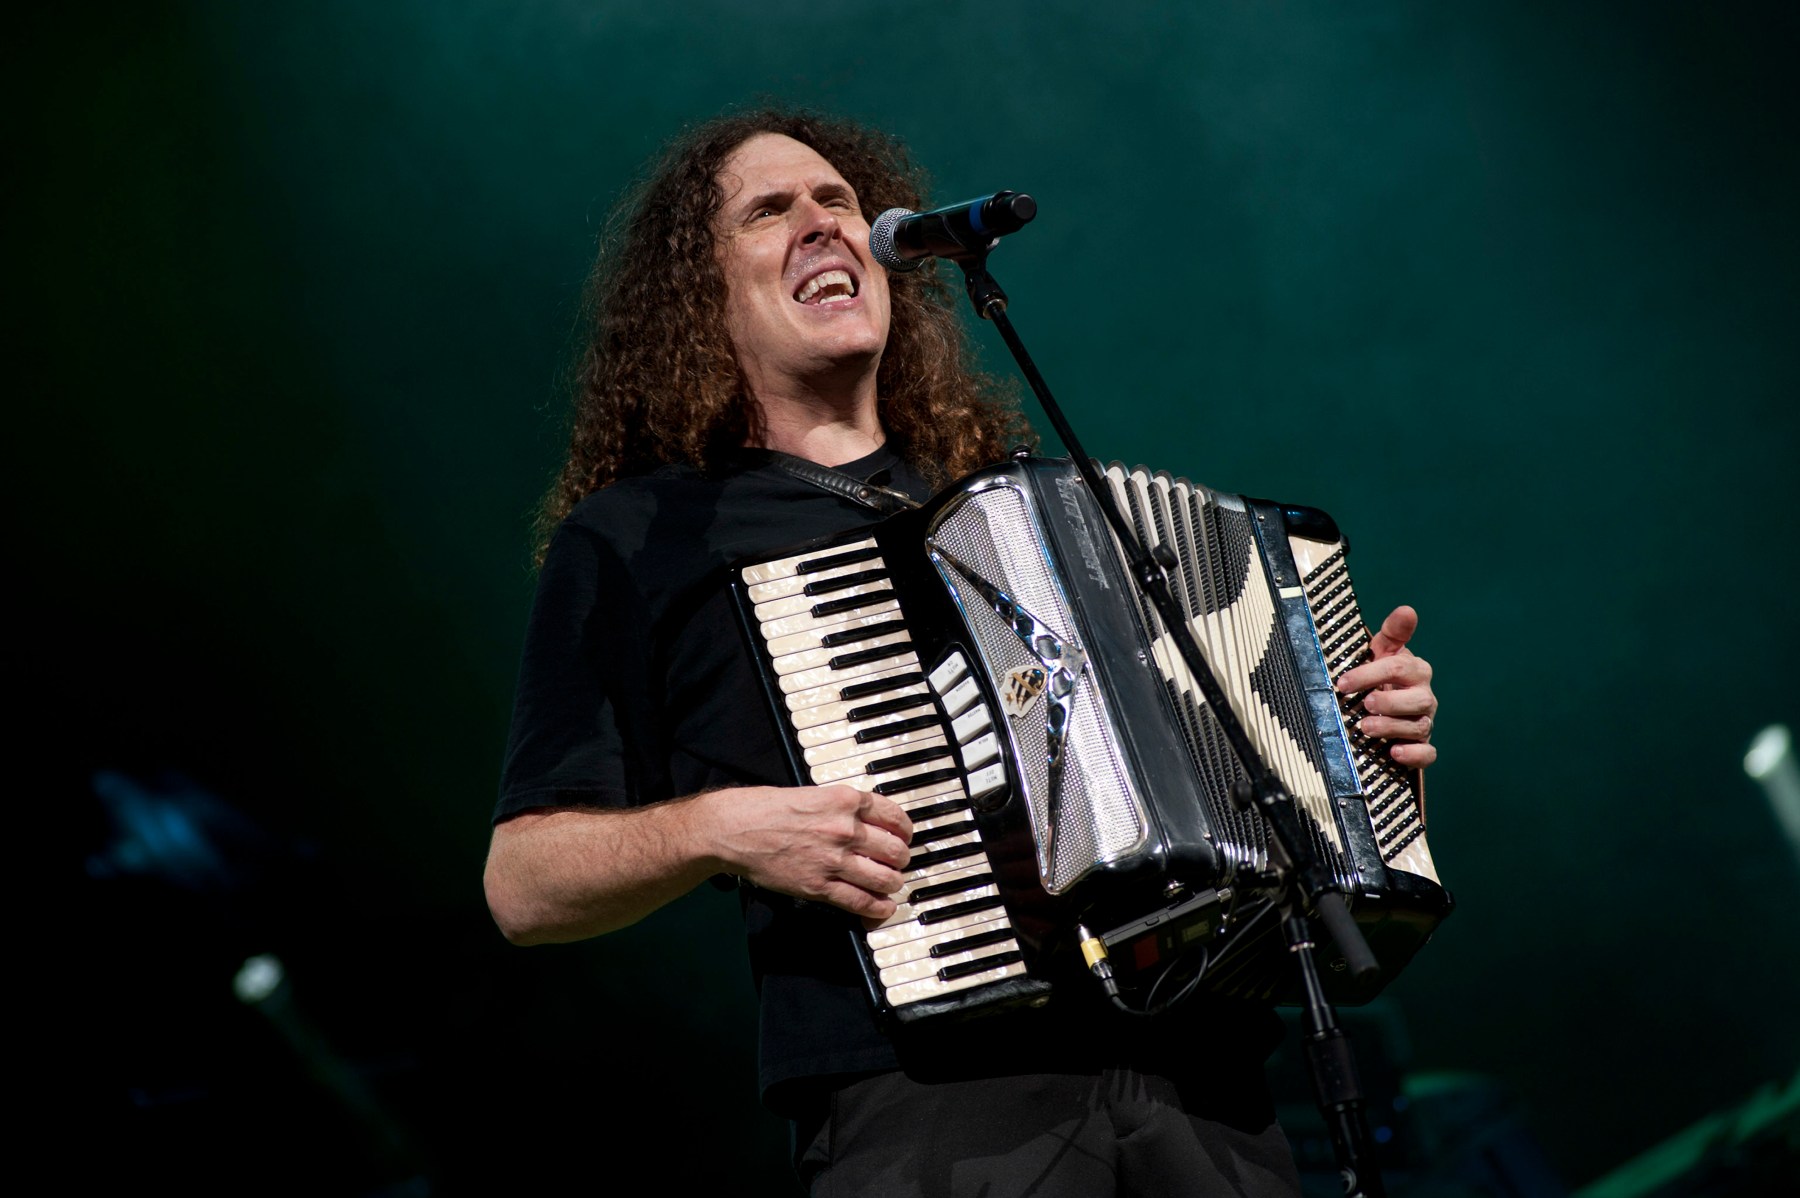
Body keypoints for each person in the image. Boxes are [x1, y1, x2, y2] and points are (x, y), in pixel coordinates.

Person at [484, 108, 1439, 1196]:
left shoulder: (1022, 519)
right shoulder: (647, 535)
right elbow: (524, 885)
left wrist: (1358, 741)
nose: (822, 224)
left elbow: (1234, 782)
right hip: (933, 1106)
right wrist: (720, 828)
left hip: (1201, 1082)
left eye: (839, 201)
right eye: (769, 212)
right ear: (697, 294)